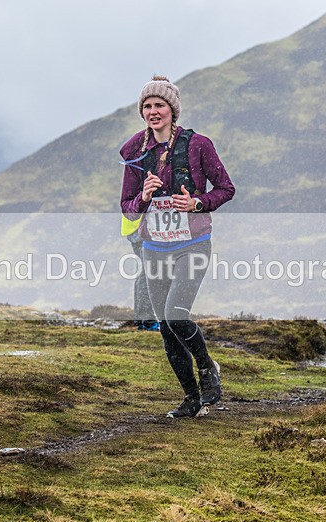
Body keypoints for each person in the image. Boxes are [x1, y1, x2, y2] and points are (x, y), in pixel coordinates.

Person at [119, 75, 236, 418]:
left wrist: (197, 204)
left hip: (193, 244)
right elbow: (126, 204)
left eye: (160, 105)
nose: (153, 112)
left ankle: (208, 367)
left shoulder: (198, 145)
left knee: (175, 315)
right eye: (147, 106)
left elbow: (226, 189)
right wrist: (142, 197)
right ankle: (191, 399)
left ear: (172, 110)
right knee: (167, 330)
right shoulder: (135, 152)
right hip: (154, 248)